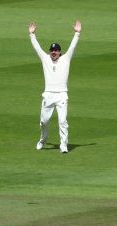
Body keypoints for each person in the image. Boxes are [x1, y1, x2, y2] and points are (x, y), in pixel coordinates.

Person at [29, 19, 82, 153]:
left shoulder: (66, 59)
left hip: (62, 95)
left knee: (62, 121)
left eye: (56, 51)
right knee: (44, 122)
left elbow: (73, 47)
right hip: (48, 94)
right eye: (52, 51)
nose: (54, 53)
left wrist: (77, 33)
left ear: (60, 52)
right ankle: (43, 139)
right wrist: (32, 34)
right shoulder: (45, 59)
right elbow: (37, 48)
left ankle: (63, 145)